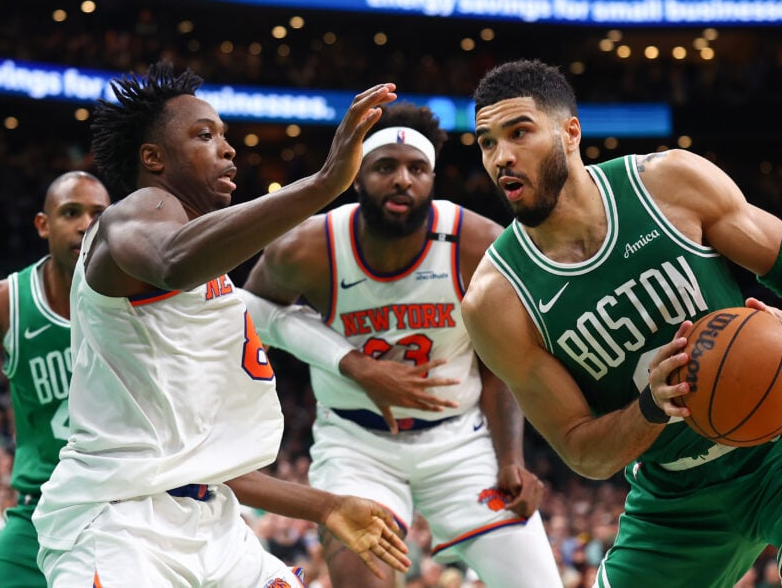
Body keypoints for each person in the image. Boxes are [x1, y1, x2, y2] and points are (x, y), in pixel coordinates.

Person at [461, 59, 782, 587]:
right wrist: (650, 406)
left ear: (570, 132)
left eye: (518, 132)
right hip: (674, 495)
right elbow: (580, 449)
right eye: (485, 143)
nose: (501, 156)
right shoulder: (496, 301)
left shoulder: (667, 186)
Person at [30, 61, 410, 587]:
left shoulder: (215, 283)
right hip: (120, 525)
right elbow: (173, 260)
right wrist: (323, 184)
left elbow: (210, 464)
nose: (228, 149)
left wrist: (326, 506)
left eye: (225, 136)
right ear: (153, 158)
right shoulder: (134, 214)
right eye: (204, 135)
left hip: (212, 523)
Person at [239, 102, 562, 587]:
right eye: (385, 167)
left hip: (461, 443)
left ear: (433, 178)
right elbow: (248, 319)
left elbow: (504, 366)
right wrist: (354, 364)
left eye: (417, 169)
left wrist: (510, 459)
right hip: (356, 444)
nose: (403, 180)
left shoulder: (477, 245)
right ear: (357, 176)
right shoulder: (310, 247)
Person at [0, 171, 111, 587]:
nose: (85, 224)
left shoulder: (140, 297)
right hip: (38, 512)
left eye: (98, 214)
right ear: (43, 225)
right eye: (71, 212)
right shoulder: (9, 302)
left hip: (119, 509)